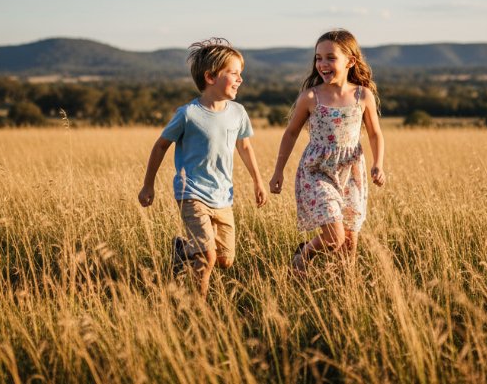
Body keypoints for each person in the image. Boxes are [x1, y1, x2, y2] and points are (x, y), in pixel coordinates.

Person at [138, 38, 267, 297]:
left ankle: (182, 251)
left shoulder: (238, 112)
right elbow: (161, 146)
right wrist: (148, 184)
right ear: (210, 77)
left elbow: (245, 147)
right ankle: (200, 310)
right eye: (233, 73)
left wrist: (258, 181)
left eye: (240, 74)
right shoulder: (188, 114)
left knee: (224, 260)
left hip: (223, 197)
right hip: (191, 193)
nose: (240, 79)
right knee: (207, 258)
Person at [268, 29, 385, 275]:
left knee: (350, 240)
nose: (322, 64)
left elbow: (375, 134)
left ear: (350, 61)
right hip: (317, 171)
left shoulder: (363, 96)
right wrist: (278, 171)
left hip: (351, 171)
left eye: (330, 57)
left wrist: (378, 164)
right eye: (318, 58)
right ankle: (303, 255)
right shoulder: (311, 97)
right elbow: (290, 133)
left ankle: (346, 288)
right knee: (334, 236)